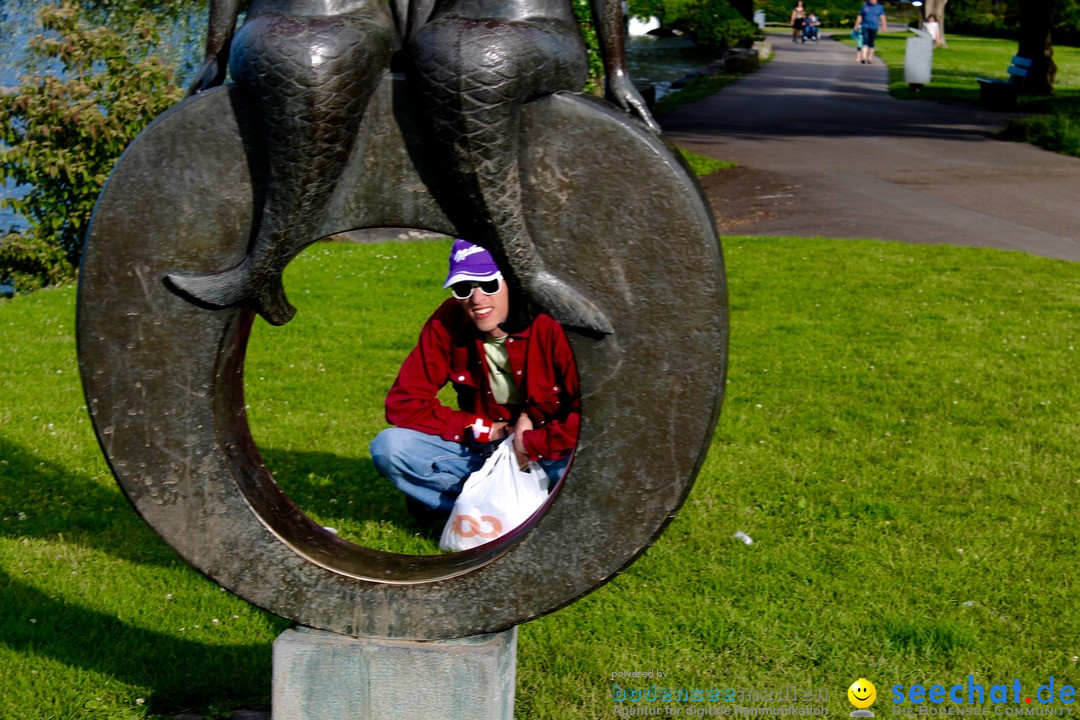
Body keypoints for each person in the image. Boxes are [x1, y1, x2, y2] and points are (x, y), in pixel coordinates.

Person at [408, 0, 659, 337]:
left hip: (536, 32)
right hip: (447, 42)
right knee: (461, 52)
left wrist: (617, 72)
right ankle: (524, 274)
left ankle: (526, 275)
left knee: (476, 56)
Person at [370, 239, 580, 522]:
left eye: (489, 285)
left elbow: (592, 415)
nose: (477, 299)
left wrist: (530, 443)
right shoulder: (448, 320)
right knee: (390, 448)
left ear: (513, 285)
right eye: (463, 288)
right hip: (486, 449)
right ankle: (491, 515)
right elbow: (403, 404)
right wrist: (488, 431)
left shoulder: (551, 324)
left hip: (551, 447)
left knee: (583, 468)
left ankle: (486, 513)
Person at [854, 0, 887, 64]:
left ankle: (870, 58)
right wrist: (856, 25)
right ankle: (863, 57)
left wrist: (884, 25)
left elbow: (882, 16)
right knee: (865, 40)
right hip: (865, 26)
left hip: (874, 27)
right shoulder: (865, 6)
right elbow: (860, 16)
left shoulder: (879, 7)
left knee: (871, 42)